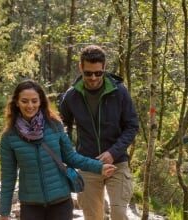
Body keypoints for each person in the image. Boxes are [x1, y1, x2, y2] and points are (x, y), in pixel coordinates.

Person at [0, 80, 117, 220]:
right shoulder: (9, 136)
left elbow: (71, 157)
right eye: (24, 101)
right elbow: (8, 177)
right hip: (30, 205)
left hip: (61, 202)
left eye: (34, 101)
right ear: (17, 103)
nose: (30, 105)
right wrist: (4, 213)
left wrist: (99, 167)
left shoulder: (54, 125)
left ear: (41, 102)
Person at [58, 45, 139, 220]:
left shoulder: (120, 92)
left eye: (98, 73)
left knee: (119, 214)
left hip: (117, 163)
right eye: (88, 73)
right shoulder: (71, 96)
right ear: (81, 67)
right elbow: (62, 126)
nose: (93, 78)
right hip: (87, 164)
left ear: (104, 68)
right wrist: (70, 153)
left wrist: (113, 152)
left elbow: (132, 126)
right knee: (92, 217)